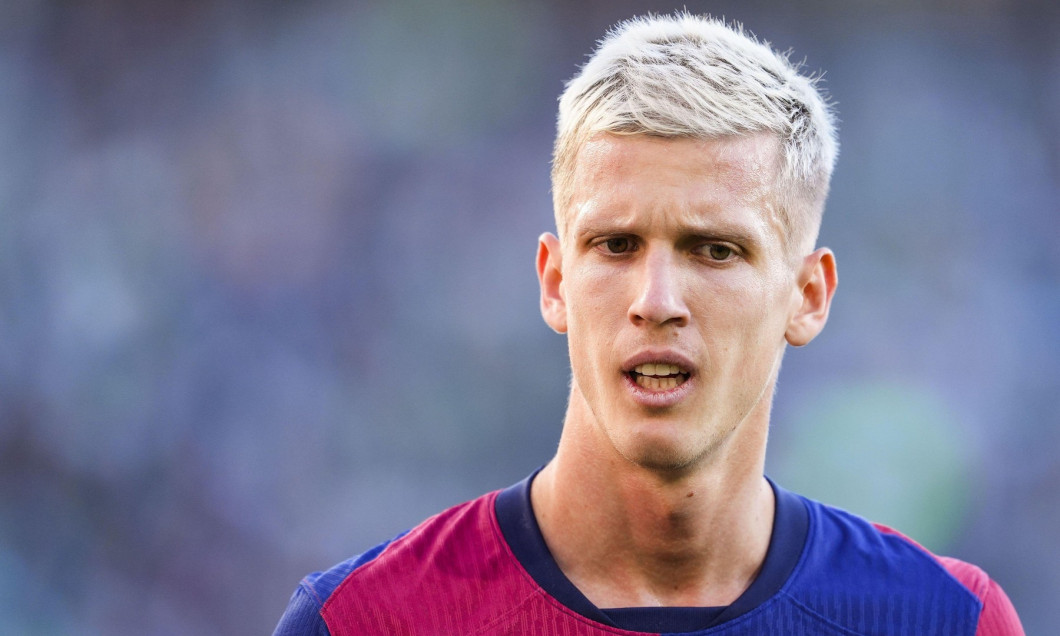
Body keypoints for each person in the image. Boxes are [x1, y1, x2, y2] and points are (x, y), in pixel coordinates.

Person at [273, 13, 1024, 635]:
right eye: (616, 245)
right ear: (556, 280)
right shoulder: (362, 622)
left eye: (715, 250)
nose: (656, 299)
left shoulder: (944, 620)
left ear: (808, 295)